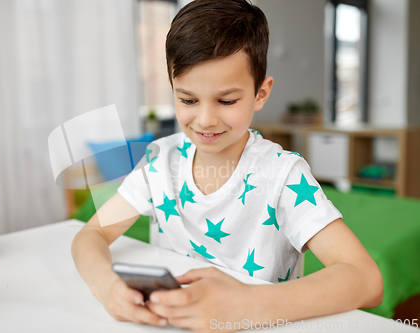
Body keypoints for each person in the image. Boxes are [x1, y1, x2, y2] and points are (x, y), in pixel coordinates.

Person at [71, 0, 383, 331]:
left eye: (227, 101)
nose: (205, 120)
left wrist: (246, 305)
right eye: (188, 99)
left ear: (260, 93)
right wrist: (107, 288)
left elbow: (367, 279)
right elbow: (91, 234)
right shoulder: (159, 161)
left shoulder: (282, 174)